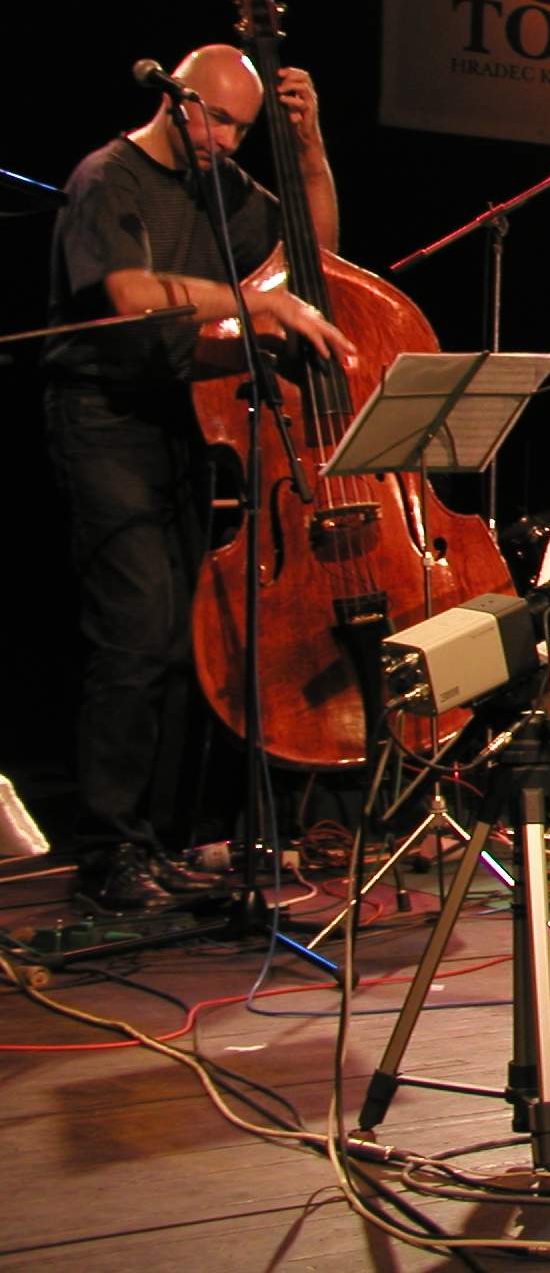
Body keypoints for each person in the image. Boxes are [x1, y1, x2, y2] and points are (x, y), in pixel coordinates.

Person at [44, 46, 355, 912]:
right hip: (104, 419)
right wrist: (255, 304)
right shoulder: (108, 177)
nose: (225, 140)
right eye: (215, 119)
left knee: (189, 638)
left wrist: (310, 153)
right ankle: (107, 850)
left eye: (242, 130)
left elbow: (311, 261)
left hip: (181, 420)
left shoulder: (221, 187)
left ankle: (160, 842)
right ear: (176, 100)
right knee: (136, 630)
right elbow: (130, 292)